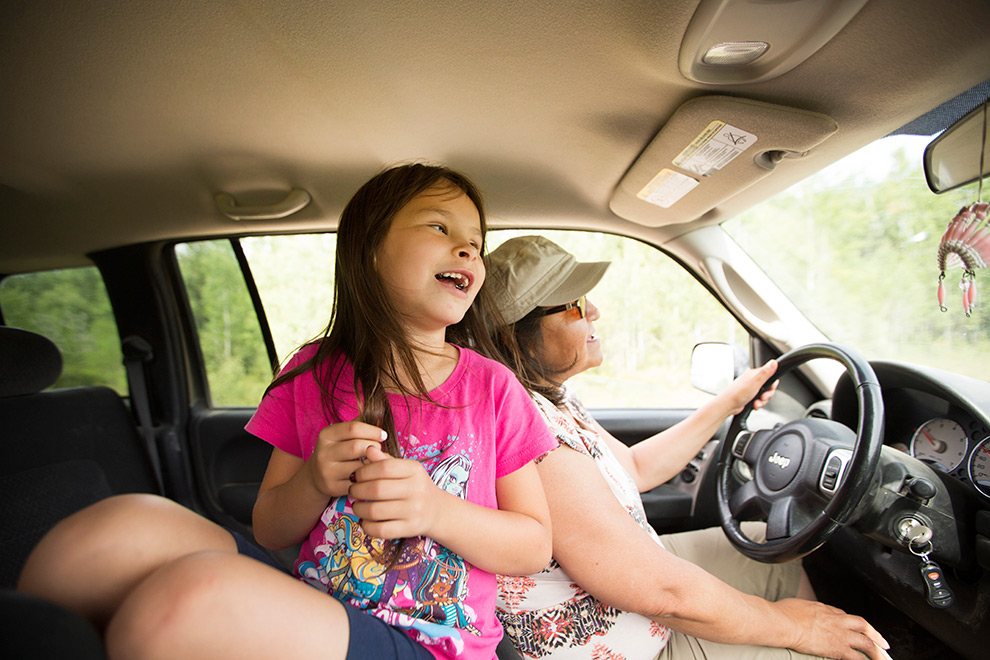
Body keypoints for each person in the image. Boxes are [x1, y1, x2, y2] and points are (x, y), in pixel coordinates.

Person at [17, 164, 556, 660]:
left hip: (434, 643)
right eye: (440, 228)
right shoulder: (313, 371)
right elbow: (271, 527)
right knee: (116, 530)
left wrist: (437, 511)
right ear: (368, 251)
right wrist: (315, 481)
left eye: (476, 243)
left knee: (188, 602)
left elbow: (533, 545)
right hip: (319, 602)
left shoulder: (492, 387)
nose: (466, 250)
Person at [478, 235, 891, 660]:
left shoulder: (550, 397)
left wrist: (730, 402)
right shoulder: (534, 436)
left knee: (770, 546)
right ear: (518, 337)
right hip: (628, 642)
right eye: (576, 304)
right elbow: (662, 591)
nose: (595, 311)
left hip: (632, 584)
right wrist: (794, 629)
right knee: (826, 649)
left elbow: (636, 467)